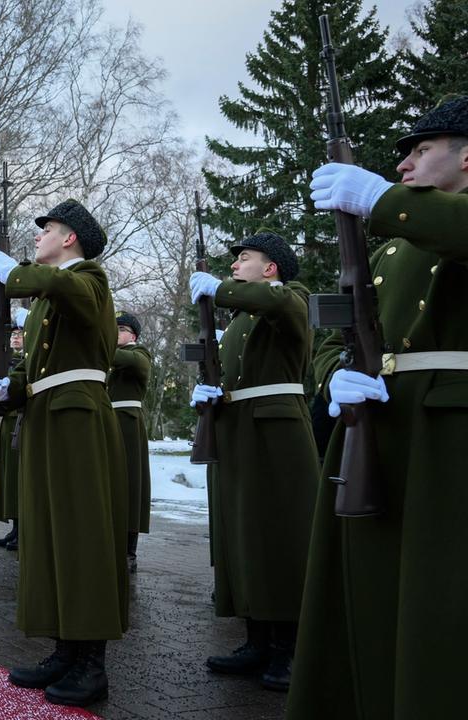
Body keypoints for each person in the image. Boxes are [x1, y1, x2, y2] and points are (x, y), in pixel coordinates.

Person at [287, 96, 468, 718]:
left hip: (449, 434)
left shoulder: (415, 222)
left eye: (422, 150)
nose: (404, 166)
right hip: (383, 426)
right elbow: (342, 332)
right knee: (373, 595)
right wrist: (337, 374)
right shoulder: (392, 248)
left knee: (439, 600)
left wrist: (381, 203)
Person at [0, 199, 127, 706]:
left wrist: (15, 273)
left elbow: (67, 289)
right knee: (50, 534)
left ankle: (92, 662)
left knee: (82, 535)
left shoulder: (89, 279)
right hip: (45, 418)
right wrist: (8, 389)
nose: (37, 238)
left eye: (47, 231)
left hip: (76, 419)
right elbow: (39, 369)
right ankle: (65, 647)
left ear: (69, 239)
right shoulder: (47, 300)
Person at [189, 230, 317, 692]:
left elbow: (281, 305)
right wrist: (210, 392)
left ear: (271, 268)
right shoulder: (242, 318)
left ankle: (290, 647)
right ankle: (256, 637)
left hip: (275, 429)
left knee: (280, 536)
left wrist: (218, 290)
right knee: (243, 536)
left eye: (244, 259)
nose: (234, 267)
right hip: (239, 426)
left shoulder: (291, 298)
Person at [109, 313, 151, 573]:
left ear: (133, 336)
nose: (116, 333)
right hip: (106, 421)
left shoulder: (139, 353)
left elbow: (131, 362)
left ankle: (128, 550)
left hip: (127, 423)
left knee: (130, 486)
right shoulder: (107, 360)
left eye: (121, 329)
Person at [0, 322, 25, 550]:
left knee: (20, 477)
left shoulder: (27, 361)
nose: (15, 337)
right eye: (13, 334)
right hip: (8, 423)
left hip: (21, 420)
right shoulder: (8, 361)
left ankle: (23, 529)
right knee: (9, 479)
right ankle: (15, 527)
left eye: (20, 333)